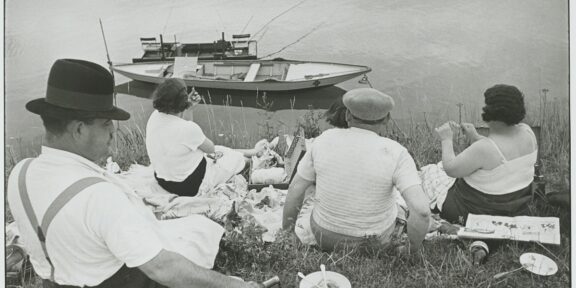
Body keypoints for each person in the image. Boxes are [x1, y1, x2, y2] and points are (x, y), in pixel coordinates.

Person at [6, 59, 262, 288]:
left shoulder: (19, 173)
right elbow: (162, 268)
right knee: (193, 241)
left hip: (55, 279)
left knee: (193, 231)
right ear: (79, 130)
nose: (112, 133)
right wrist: (235, 284)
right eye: (107, 124)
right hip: (117, 281)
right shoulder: (99, 195)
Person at [282, 88, 430, 253]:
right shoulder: (397, 152)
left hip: (324, 237)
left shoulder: (324, 140)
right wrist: (411, 249)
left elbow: (295, 189)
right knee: (400, 209)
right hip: (374, 242)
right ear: (386, 119)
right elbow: (422, 211)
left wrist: (289, 234)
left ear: (347, 116)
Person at [432, 84, 537, 265]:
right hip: (516, 204)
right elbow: (499, 154)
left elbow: (451, 168)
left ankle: (460, 230)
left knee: (434, 172)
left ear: (490, 111)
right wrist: (474, 135)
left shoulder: (484, 149)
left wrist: (446, 139)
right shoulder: (527, 133)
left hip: (476, 210)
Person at [146, 78, 264, 197]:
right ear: (182, 102)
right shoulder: (188, 129)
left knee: (219, 150)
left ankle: (253, 151)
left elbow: (184, 132)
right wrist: (187, 107)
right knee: (229, 157)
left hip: (164, 181)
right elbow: (210, 148)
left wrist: (189, 108)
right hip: (188, 186)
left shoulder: (154, 117)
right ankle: (253, 158)